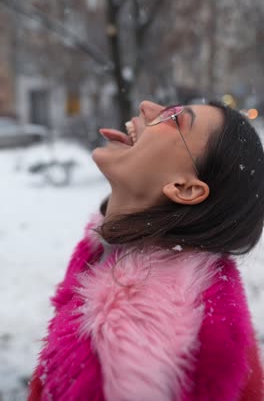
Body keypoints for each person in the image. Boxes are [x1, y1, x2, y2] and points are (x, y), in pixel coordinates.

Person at [28, 100, 264, 401]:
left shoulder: (138, 339)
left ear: (185, 188)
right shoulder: (109, 261)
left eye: (177, 119)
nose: (148, 105)